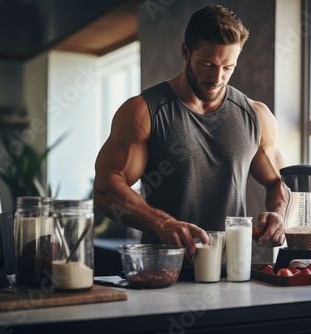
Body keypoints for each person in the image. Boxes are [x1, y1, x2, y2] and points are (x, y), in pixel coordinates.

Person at [93, 4, 287, 258]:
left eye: (228, 68)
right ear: (186, 52)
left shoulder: (256, 116)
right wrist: (160, 223)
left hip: (233, 273)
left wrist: (280, 215)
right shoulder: (143, 112)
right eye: (208, 64)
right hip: (164, 273)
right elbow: (107, 187)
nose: (217, 78)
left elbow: (278, 181)